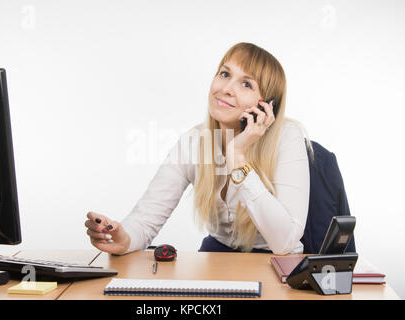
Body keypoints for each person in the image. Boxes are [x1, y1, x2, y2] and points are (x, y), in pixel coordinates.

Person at [84, 42, 311, 255]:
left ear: (267, 106)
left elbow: (284, 242)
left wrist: (238, 157)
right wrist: (123, 239)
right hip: (219, 260)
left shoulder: (288, 138)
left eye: (246, 84)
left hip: (276, 264)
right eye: (225, 74)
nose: (227, 89)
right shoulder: (194, 141)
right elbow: (144, 222)